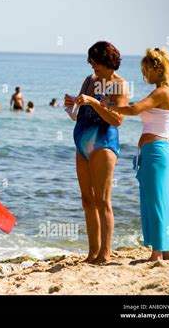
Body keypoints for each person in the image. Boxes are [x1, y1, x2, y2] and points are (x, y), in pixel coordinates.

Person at [102, 48, 169, 261]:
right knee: (157, 201)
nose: (144, 75)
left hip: (156, 153)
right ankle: (164, 250)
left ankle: (157, 253)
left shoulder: (161, 92)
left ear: (157, 69)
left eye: (146, 70)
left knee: (156, 202)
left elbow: (134, 109)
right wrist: (165, 131)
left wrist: (109, 105)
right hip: (157, 150)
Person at [64, 41, 128, 264]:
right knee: (87, 199)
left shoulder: (119, 85)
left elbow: (117, 119)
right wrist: (73, 103)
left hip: (103, 142)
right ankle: (92, 252)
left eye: (97, 61)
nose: (93, 66)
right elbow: (80, 110)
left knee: (102, 200)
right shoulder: (89, 80)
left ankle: (105, 254)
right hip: (81, 141)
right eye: (91, 61)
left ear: (109, 61)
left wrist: (93, 101)